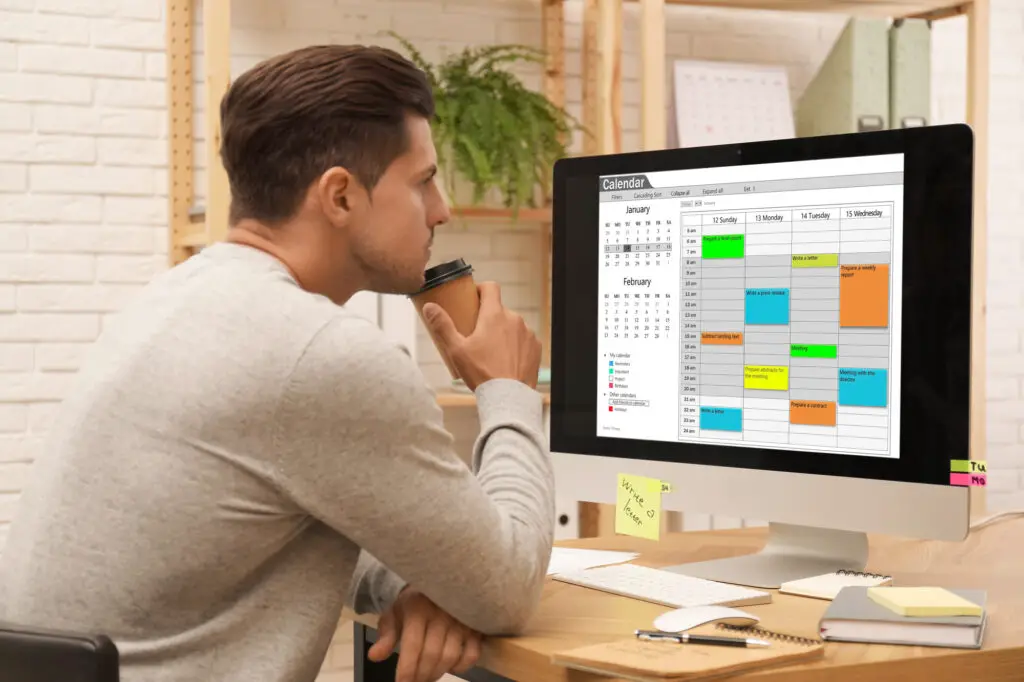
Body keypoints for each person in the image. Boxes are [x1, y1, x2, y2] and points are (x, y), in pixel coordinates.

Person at [0, 44, 555, 682]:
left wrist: (432, 585)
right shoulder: (320, 355)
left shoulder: (178, 299)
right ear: (341, 196)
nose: (442, 210)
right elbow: (510, 589)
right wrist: (507, 389)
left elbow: (253, 535)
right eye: (423, 181)